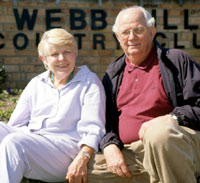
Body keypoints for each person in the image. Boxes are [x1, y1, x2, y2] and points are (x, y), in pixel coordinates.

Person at [87, 5, 200, 183]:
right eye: (125, 32)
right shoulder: (113, 73)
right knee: (81, 171)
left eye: (138, 30)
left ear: (152, 31)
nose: (131, 37)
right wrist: (109, 145)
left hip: (174, 144)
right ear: (118, 37)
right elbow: (105, 120)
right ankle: (165, 174)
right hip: (133, 152)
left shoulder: (177, 60)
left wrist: (172, 118)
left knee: (159, 133)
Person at [0, 28, 106, 183]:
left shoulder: (89, 82)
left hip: (65, 152)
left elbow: (94, 129)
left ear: (75, 53)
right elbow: (15, 124)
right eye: (54, 54)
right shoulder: (37, 82)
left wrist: (82, 159)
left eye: (67, 52)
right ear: (43, 58)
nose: (62, 59)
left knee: (14, 143)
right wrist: (31, 136)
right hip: (34, 143)